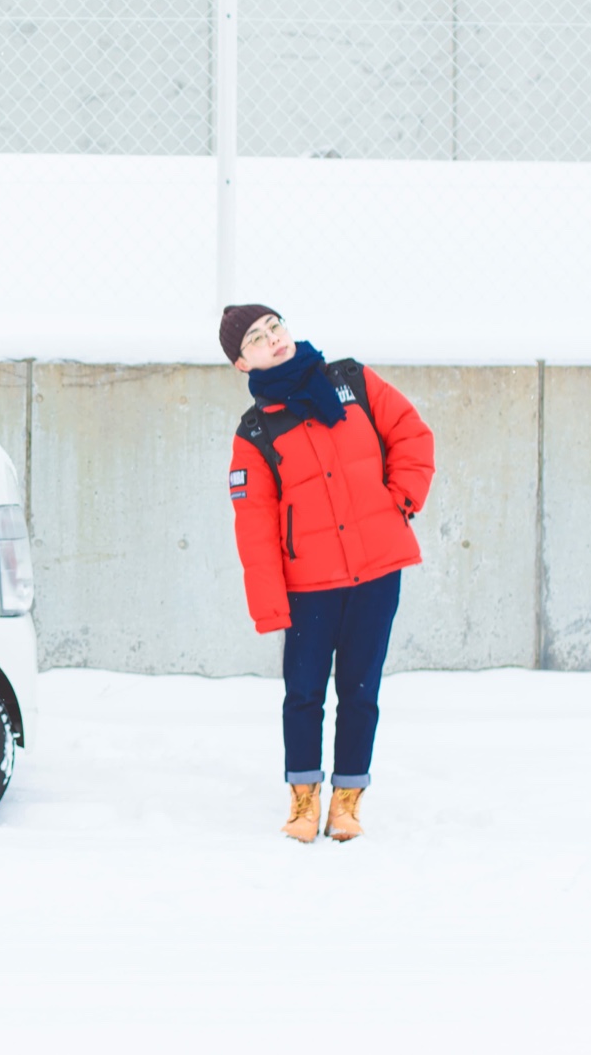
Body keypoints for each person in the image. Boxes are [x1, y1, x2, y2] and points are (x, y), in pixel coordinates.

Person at [220, 306, 434, 844]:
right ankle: (303, 798)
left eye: (276, 327)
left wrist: (399, 502)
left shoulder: (352, 382)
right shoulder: (255, 432)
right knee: (304, 694)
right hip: (309, 586)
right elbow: (256, 527)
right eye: (257, 338)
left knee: (361, 691)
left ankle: (347, 800)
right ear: (242, 363)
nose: (274, 339)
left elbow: (412, 434)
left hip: (376, 574)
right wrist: (271, 605)